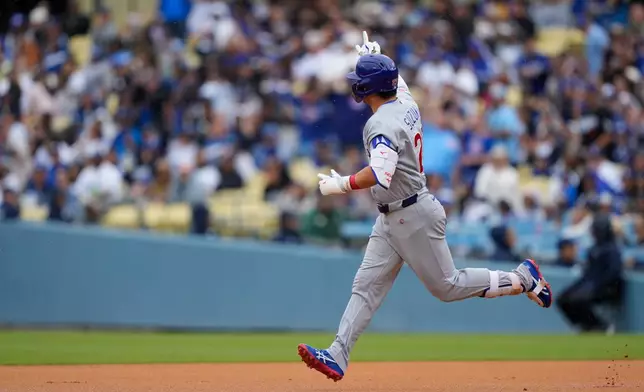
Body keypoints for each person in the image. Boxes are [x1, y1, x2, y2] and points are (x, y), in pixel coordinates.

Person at [296, 32, 553, 382]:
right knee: (365, 287)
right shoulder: (405, 102)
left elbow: (382, 173)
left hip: (412, 214)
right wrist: (378, 55)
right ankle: (338, 354)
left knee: (447, 287)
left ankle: (522, 278)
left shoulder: (380, 122)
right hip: (392, 216)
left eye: (360, 82)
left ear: (367, 89)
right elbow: (397, 83)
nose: (356, 86)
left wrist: (341, 184)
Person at [557, 213, 624, 333]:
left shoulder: (612, 250)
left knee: (579, 299)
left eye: (598, 229)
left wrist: (591, 287)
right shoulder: (593, 249)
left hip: (607, 288)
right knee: (562, 299)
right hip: (589, 285)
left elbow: (613, 274)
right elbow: (587, 274)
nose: (596, 232)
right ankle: (585, 325)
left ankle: (602, 326)